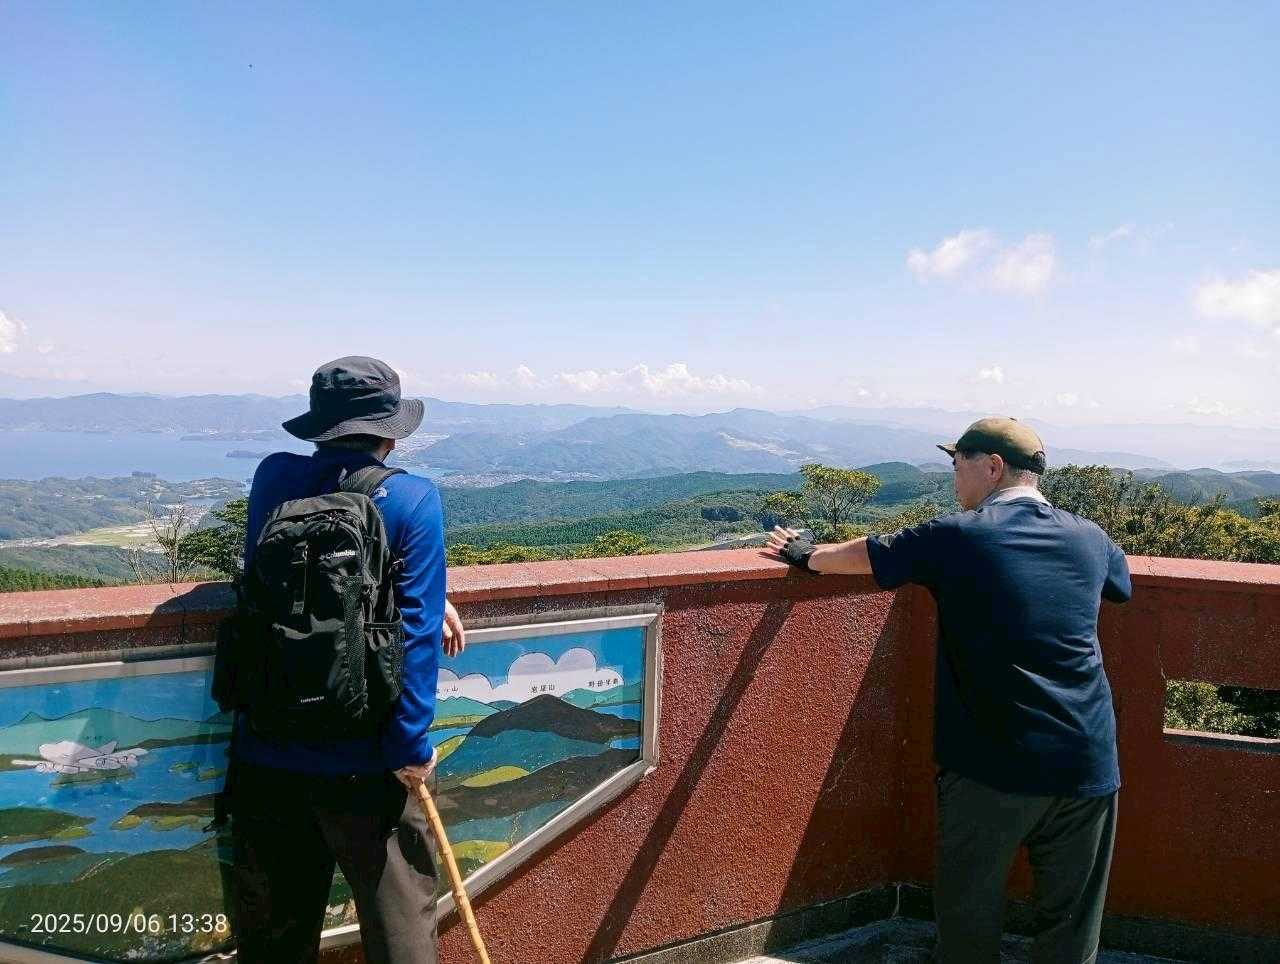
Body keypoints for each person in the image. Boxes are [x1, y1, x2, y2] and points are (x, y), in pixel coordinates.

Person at [766, 416, 1132, 964]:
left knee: (968, 916)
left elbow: (871, 554)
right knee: (1072, 924)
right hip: (1087, 756)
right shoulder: (1090, 536)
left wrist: (806, 554)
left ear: (993, 467)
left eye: (958, 464)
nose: (954, 477)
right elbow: (1120, 586)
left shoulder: (959, 536)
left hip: (991, 761)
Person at [226, 356, 466, 964]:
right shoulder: (412, 498)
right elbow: (415, 639)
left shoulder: (273, 478)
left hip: (268, 749)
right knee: (400, 937)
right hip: (369, 761)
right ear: (391, 434)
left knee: (276, 942)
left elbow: (276, 582)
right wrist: (411, 749)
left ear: (319, 427)